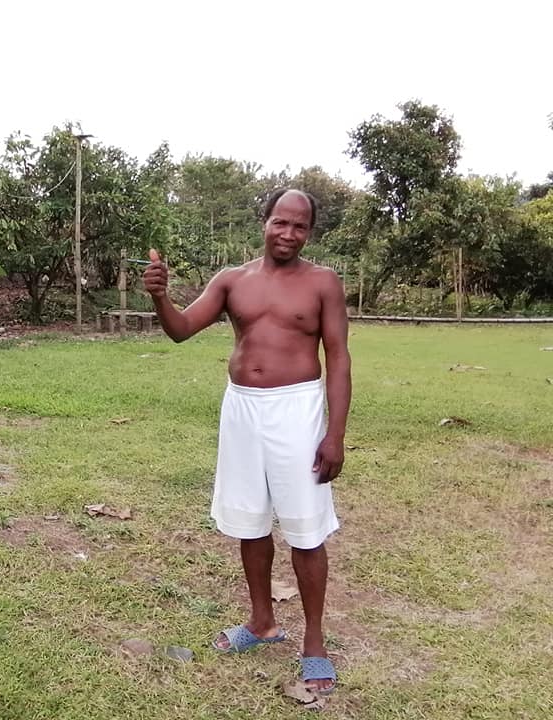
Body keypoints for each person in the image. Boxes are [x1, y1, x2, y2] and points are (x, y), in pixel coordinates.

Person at [143, 189, 351, 694]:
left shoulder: (323, 282)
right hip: (241, 409)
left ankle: (314, 643)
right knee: (250, 521)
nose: (289, 234)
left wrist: (335, 434)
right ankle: (262, 622)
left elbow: (339, 358)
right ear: (265, 221)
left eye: (300, 226)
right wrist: (160, 296)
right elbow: (181, 329)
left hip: (297, 411)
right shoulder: (232, 280)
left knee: (305, 530)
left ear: (309, 232)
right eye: (281, 222)